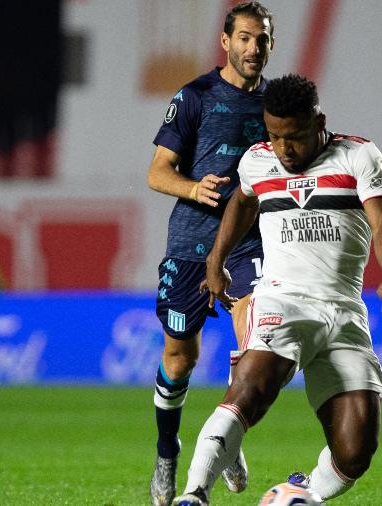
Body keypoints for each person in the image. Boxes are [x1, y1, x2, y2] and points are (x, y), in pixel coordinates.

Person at [172, 74, 382, 505]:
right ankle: (194, 495)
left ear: (318, 121)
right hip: (282, 300)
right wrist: (216, 261)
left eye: (296, 136)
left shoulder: (357, 156)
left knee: (357, 449)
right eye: (275, 135)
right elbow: (243, 202)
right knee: (251, 388)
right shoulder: (257, 160)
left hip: (343, 310)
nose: (284, 148)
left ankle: (298, 495)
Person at [146, 3, 275, 504]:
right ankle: (166, 450)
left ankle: (226, 436)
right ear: (226, 42)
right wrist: (193, 188)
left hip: (249, 244)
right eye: (244, 38)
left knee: (254, 346)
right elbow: (157, 172)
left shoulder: (278, 104)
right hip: (190, 246)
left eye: (261, 39)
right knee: (180, 358)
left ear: (271, 44)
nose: (252, 48)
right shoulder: (196, 96)